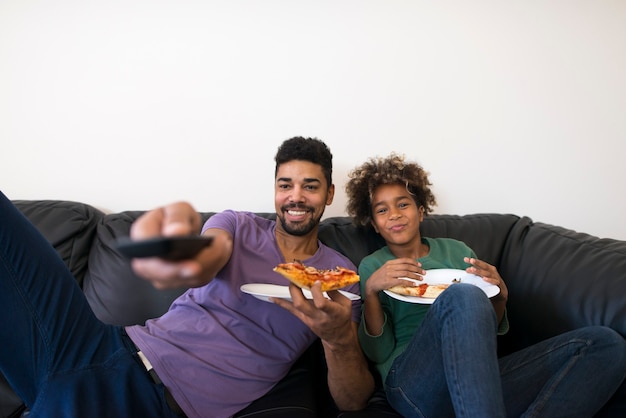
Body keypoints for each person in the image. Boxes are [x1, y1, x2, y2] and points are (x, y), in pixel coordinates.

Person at [0, 137, 374, 418]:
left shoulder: (338, 277)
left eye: (310, 186)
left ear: (329, 194)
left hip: (151, 402)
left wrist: (338, 339)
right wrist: (181, 259)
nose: (296, 197)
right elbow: (209, 255)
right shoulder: (237, 224)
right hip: (107, 347)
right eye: (285, 185)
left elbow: (352, 401)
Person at [343, 153, 626, 417]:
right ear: (375, 225)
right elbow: (378, 353)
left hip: (476, 382)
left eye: (403, 204)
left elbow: (484, 336)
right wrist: (371, 292)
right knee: (463, 294)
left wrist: (499, 297)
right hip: (412, 384)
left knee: (605, 343)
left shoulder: (456, 250)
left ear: (421, 210)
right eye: (382, 210)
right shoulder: (373, 266)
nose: (394, 214)